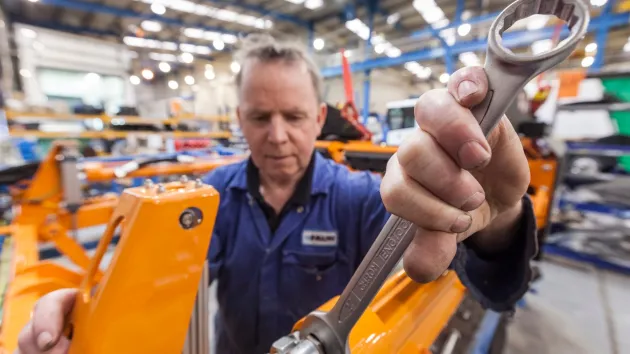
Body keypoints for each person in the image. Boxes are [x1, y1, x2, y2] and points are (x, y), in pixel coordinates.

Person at [16, 34, 536, 354]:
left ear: (318, 118)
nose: (278, 135)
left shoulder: (359, 198)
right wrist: (87, 312)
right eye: (261, 118)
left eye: (293, 117)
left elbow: (456, 265)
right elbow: (156, 278)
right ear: (240, 119)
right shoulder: (209, 199)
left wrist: (495, 223)